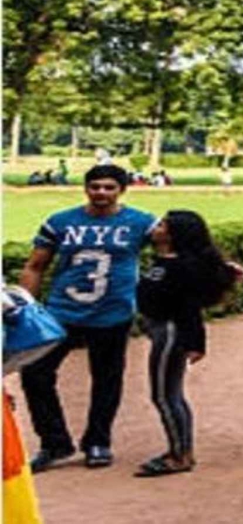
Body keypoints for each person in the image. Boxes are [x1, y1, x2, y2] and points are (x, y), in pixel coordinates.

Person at [18, 163, 157, 471]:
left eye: (109, 188)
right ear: (86, 188)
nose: (101, 193)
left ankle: (98, 441)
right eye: (95, 187)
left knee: (107, 380)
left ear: (122, 190)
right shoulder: (61, 222)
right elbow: (35, 266)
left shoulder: (140, 222)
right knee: (35, 374)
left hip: (113, 313)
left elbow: (181, 245)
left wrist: (217, 268)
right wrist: (27, 307)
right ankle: (55, 443)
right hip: (62, 312)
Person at [134, 210, 242, 477]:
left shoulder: (181, 267)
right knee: (170, 395)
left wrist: (195, 343)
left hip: (171, 334)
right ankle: (181, 450)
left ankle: (179, 455)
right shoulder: (165, 259)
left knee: (164, 396)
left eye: (161, 225)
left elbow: (189, 309)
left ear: (172, 234)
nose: (154, 228)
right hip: (161, 330)